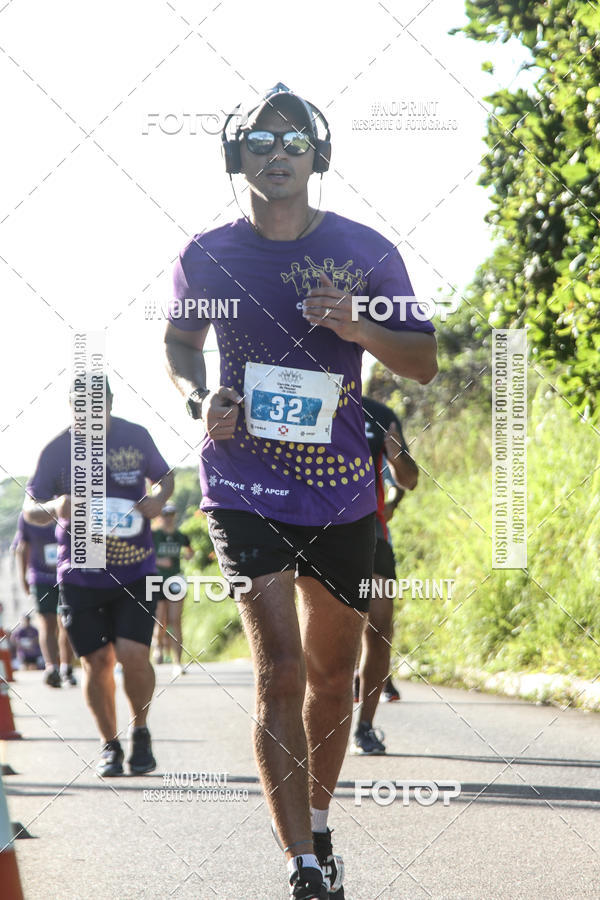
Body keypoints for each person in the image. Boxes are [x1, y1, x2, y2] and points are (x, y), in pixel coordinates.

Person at [164, 83, 437, 899]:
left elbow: (420, 360)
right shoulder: (207, 254)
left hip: (343, 490)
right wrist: (194, 398)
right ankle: (302, 864)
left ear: (317, 157)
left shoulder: (366, 250)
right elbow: (180, 342)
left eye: (292, 142)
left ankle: (317, 821)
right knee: (279, 670)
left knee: (332, 675)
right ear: (235, 156)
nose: (276, 153)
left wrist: (358, 327)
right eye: (259, 141)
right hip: (243, 482)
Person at [23, 377, 174, 776]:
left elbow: (166, 475)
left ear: (109, 402)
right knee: (96, 662)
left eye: (97, 407)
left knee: (133, 654)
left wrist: (157, 501)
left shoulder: (134, 435)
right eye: (81, 409)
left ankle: (140, 732)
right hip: (80, 572)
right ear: (71, 408)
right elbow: (30, 509)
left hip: (135, 566)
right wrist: (59, 505)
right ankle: (110, 745)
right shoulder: (57, 449)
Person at [350, 395, 419, 755]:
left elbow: (409, 479)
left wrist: (395, 453)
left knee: (379, 627)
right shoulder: (304, 388)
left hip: (371, 532)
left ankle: (365, 726)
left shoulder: (379, 415)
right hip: (311, 530)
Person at [12, 512, 76, 687]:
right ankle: (51, 668)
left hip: (68, 576)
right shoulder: (28, 514)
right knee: (47, 623)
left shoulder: (67, 507)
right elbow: (22, 547)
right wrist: (22, 576)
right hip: (41, 578)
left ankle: (66, 667)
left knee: (67, 623)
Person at [151, 503, 193, 675]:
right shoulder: (154, 535)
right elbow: (144, 555)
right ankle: (158, 646)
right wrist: (159, 562)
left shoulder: (180, 536)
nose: (168, 518)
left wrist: (188, 555)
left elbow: (190, 552)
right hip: (156, 580)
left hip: (175, 579)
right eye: (165, 514)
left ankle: (177, 662)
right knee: (161, 621)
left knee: (176, 620)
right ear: (160, 516)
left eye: (171, 514)